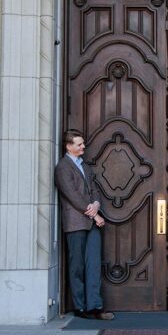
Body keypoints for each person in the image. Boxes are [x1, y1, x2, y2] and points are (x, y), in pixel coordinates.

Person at [55, 129, 114, 320]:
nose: (83, 147)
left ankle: (95, 306)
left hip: (91, 220)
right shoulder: (63, 167)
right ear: (68, 146)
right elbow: (71, 195)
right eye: (79, 144)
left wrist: (96, 205)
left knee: (94, 265)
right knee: (77, 266)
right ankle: (80, 307)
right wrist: (94, 214)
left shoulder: (85, 167)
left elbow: (94, 190)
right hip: (76, 223)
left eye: (82, 143)